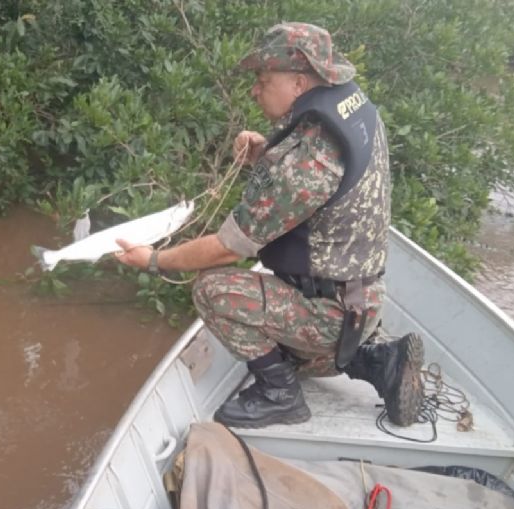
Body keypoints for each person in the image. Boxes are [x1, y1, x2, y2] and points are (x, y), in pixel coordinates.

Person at [114, 22, 424, 429]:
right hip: (359, 298)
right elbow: (317, 182)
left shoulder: (311, 158)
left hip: (333, 310)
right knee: (288, 338)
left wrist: (154, 260)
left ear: (299, 83)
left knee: (213, 291)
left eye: (263, 81)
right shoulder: (353, 108)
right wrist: (266, 154)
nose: (254, 91)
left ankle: (279, 394)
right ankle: (379, 361)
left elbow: (229, 247)